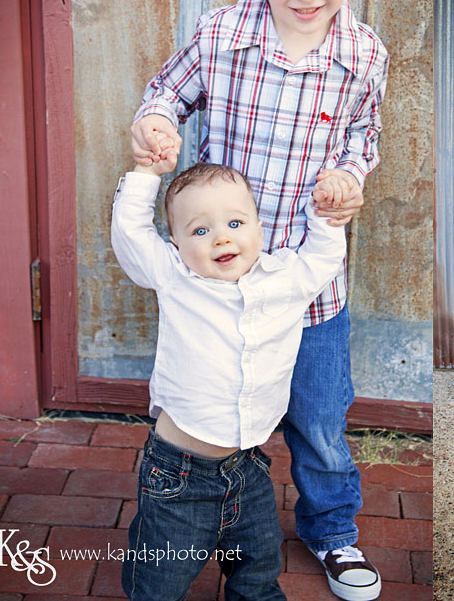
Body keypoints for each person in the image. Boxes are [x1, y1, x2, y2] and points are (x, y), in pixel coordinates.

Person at [127, 0, 389, 598]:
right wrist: (156, 124)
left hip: (307, 289)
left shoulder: (362, 55)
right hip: (219, 279)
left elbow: (366, 133)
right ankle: (210, 517)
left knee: (320, 418)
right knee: (226, 401)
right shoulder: (222, 34)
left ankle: (332, 530)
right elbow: (168, 91)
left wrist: (349, 176)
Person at [111, 152, 346, 600]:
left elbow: (324, 256)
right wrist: (146, 174)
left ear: (260, 228)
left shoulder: (286, 279)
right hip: (177, 475)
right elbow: (130, 236)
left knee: (259, 570)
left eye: (236, 224)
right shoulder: (177, 278)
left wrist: (326, 211)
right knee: (159, 582)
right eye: (200, 230)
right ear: (176, 243)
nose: (221, 238)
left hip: (248, 468)